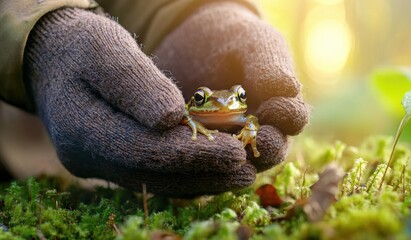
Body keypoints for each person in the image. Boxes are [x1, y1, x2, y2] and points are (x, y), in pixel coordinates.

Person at [0, 0, 308, 197]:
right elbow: (180, 113)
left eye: (236, 98)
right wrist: (37, 32)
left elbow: (250, 120)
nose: (226, 104)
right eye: (202, 98)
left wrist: (187, 9)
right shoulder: (192, 114)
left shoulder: (240, 115)